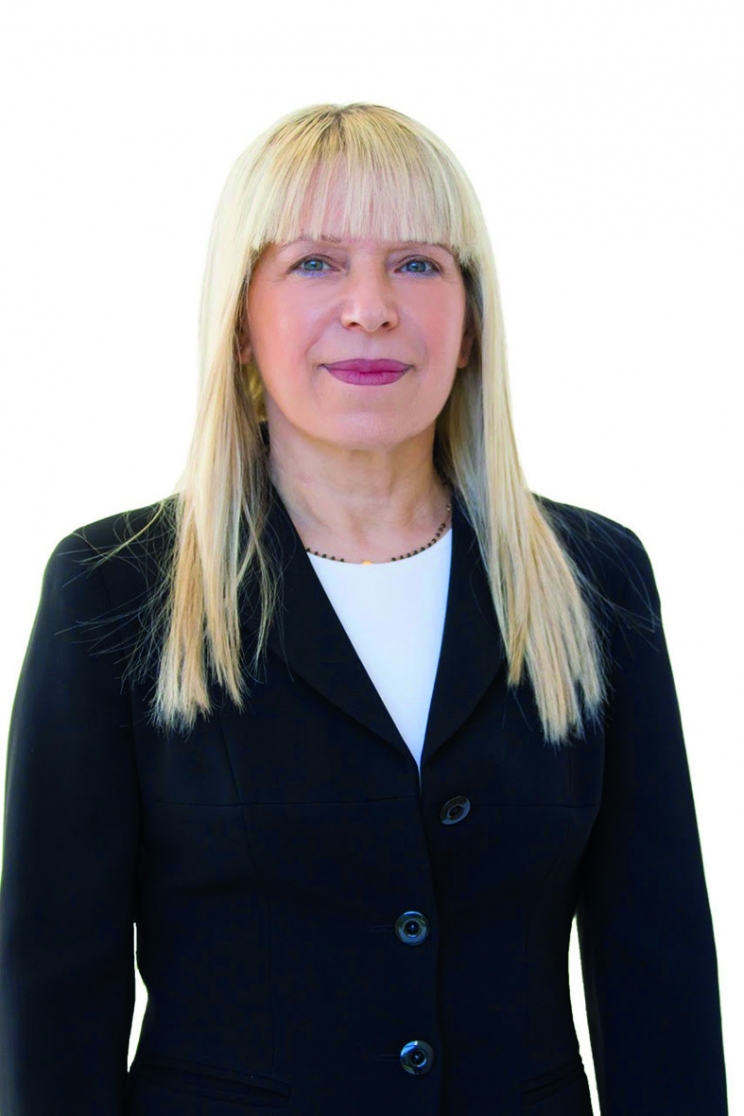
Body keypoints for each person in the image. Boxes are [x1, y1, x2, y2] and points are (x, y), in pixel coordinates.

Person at [0, 102, 728, 1115]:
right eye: (315, 263)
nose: (372, 307)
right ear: (241, 325)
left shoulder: (595, 579)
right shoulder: (116, 588)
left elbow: (660, 975)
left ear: (470, 325)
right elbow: (52, 1001)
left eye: (418, 264)